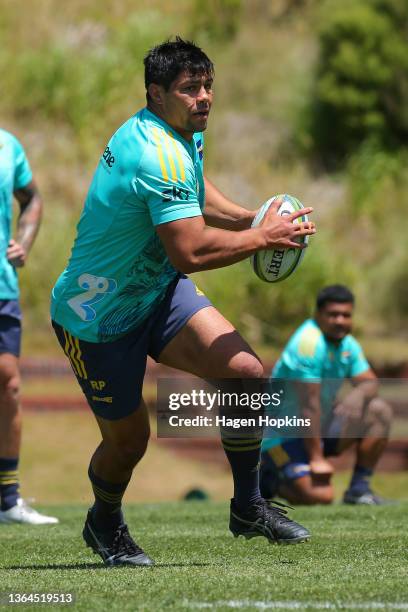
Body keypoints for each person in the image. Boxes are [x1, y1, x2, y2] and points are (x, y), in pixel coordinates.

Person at [50, 37, 316, 567]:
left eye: (207, 86)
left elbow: (194, 189)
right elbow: (191, 249)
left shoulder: (180, 133)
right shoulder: (155, 152)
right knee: (129, 443)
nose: (204, 98)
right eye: (189, 89)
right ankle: (104, 523)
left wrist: (248, 219)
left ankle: (248, 504)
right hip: (96, 319)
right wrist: (263, 238)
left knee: (244, 373)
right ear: (156, 93)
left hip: (156, 291)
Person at [260, 284, 392, 506]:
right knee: (321, 497)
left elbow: (370, 383)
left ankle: (359, 490)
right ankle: (267, 478)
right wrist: (317, 459)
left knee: (379, 411)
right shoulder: (308, 344)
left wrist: (358, 394)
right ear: (318, 314)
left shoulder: (347, 344)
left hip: (317, 429)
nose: (340, 320)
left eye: (345, 315)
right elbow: (308, 406)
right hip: (280, 437)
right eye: (333, 314)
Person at [0, 128, 58, 525]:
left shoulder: (8, 145)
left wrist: (24, 239)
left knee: (9, 384)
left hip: (2, 286)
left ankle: (7, 499)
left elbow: (32, 198)